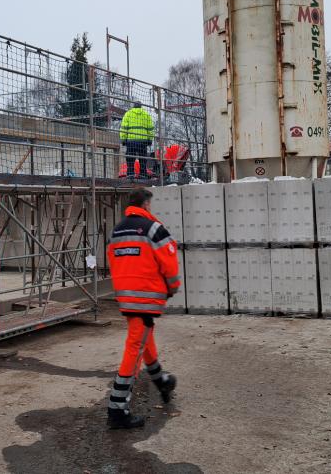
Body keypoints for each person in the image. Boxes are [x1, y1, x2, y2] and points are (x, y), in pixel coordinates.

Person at [105, 188, 180, 429]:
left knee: (144, 338)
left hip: (127, 298)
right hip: (147, 298)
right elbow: (169, 262)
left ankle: (161, 381)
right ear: (146, 205)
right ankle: (117, 409)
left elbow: (113, 262)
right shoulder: (153, 229)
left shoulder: (117, 231)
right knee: (134, 348)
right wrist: (172, 287)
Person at [119, 102, 154, 178]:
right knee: (143, 158)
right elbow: (150, 129)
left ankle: (130, 174)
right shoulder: (146, 114)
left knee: (130, 158)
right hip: (143, 141)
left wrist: (123, 139)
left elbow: (123, 128)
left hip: (131, 141)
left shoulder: (128, 114)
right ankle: (143, 175)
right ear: (141, 106)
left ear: (133, 106)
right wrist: (150, 139)